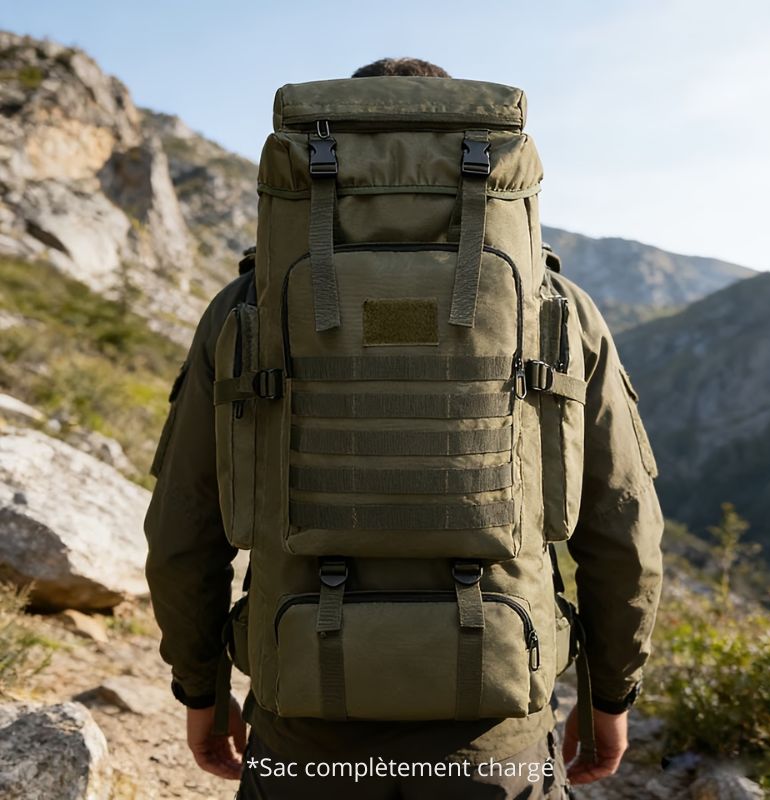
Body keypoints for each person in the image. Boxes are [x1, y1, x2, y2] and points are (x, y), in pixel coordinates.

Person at [144, 57, 663, 800]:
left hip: (306, 727)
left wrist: (199, 691)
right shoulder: (558, 311)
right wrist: (610, 697)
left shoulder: (244, 310)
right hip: (495, 728)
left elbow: (183, 526)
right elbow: (623, 530)